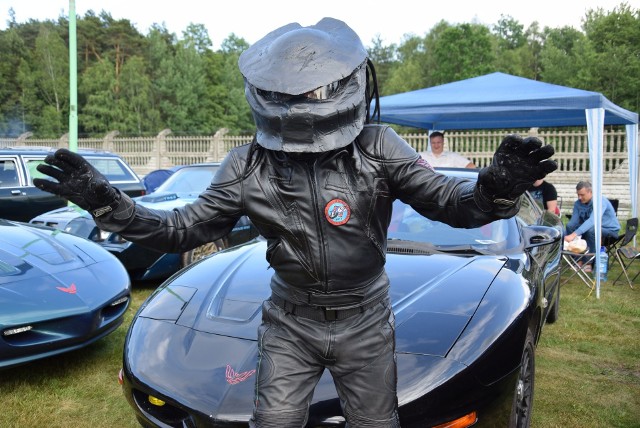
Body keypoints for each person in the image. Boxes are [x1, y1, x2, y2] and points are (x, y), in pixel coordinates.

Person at [33, 18, 557, 428]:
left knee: (375, 422)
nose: (307, 101)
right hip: (289, 321)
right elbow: (180, 231)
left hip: (366, 319)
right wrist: (106, 203)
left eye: (317, 90)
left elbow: (451, 203)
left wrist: (495, 189)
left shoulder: (377, 147)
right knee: (276, 421)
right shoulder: (246, 165)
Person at [564, 181, 620, 272]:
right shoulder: (578, 204)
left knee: (592, 230)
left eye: (582, 195)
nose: (579, 197)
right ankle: (578, 260)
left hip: (609, 231)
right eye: (578, 195)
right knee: (570, 226)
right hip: (591, 229)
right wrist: (569, 232)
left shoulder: (600, 202)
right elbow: (573, 222)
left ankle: (588, 262)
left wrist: (573, 235)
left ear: (591, 192)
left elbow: (593, 221)